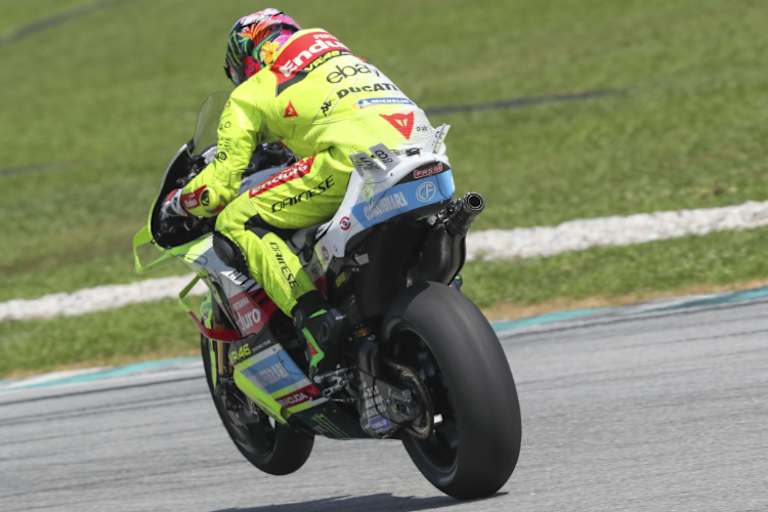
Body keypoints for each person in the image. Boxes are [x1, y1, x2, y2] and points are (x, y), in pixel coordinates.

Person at [161, 8, 439, 372]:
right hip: (425, 144)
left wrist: (179, 204)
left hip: (352, 159)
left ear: (245, 61)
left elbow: (219, 187)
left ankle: (315, 321)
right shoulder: (343, 56)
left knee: (237, 220)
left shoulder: (251, 92)